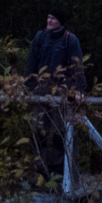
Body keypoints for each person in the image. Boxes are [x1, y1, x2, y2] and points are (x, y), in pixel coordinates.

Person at [25, 9, 85, 179]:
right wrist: (27, 87)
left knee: (60, 131)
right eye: (48, 17)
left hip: (61, 92)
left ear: (60, 21)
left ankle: (59, 173)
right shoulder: (40, 37)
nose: (49, 21)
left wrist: (79, 90)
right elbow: (31, 64)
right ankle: (40, 172)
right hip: (40, 91)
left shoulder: (70, 40)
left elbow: (77, 67)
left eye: (53, 18)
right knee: (39, 131)